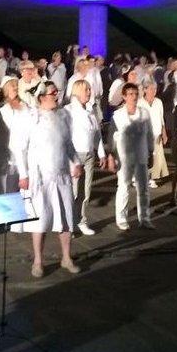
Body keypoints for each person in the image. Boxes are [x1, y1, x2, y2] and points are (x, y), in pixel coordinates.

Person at [13, 81, 83, 277]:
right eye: (53, 93)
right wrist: (24, 174)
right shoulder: (31, 118)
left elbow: (68, 143)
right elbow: (20, 148)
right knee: (40, 220)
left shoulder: (63, 116)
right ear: (42, 97)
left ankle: (66, 258)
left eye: (57, 92)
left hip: (61, 175)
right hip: (39, 177)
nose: (57, 96)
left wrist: (75, 162)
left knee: (66, 217)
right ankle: (38, 261)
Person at [63, 79, 105, 235]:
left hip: (89, 155)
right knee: (73, 192)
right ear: (77, 91)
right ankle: (69, 224)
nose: (89, 92)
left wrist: (101, 153)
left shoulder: (90, 111)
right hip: (74, 156)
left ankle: (81, 220)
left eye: (89, 89)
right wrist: (71, 160)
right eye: (86, 89)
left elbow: (97, 134)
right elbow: (65, 137)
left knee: (85, 192)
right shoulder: (68, 111)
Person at [112, 83, 154, 230]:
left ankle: (144, 218)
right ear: (124, 96)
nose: (134, 97)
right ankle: (121, 219)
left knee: (143, 189)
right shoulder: (117, 116)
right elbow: (112, 138)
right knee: (124, 188)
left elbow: (149, 134)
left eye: (136, 94)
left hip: (141, 156)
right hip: (125, 159)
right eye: (130, 94)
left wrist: (151, 151)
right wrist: (113, 156)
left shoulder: (144, 113)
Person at [0, 77, 28, 194]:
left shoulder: (23, 104)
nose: (15, 88)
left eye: (16, 86)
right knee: (1, 182)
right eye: (12, 86)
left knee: (15, 183)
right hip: (1, 149)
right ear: (5, 88)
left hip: (19, 150)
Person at [140, 80, 168, 187]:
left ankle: (152, 178)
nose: (153, 91)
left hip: (157, 134)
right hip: (144, 135)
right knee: (145, 158)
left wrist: (164, 133)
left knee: (156, 158)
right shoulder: (140, 103)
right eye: (151, 89)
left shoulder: (159, 102)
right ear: (145, 90)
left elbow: (161, 119)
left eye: (155, 89)